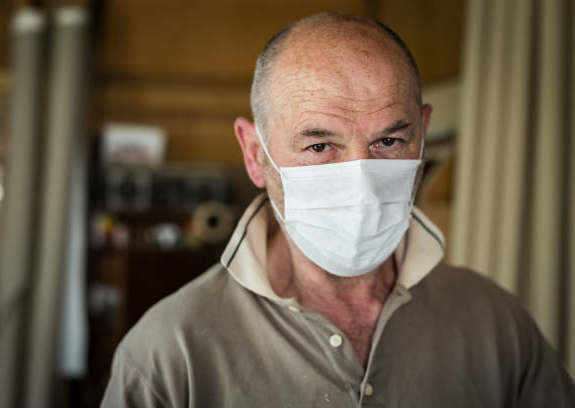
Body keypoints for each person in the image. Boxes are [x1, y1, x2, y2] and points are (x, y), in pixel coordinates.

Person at [101, 13, 575, 407]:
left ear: (422, 136)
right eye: (320, 144)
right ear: (254, 154)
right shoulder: (169, 356)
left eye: (388, 141)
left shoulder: (494, 324)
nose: (362, 183)